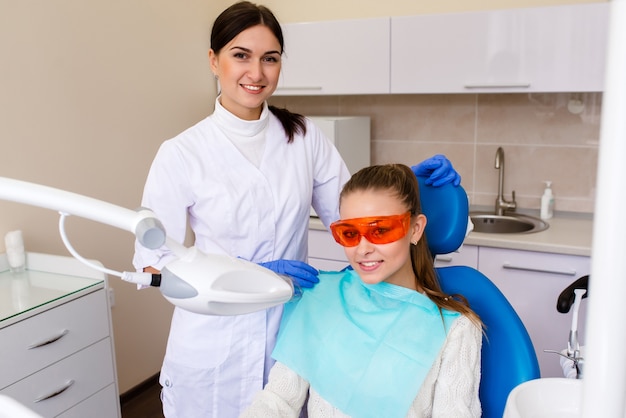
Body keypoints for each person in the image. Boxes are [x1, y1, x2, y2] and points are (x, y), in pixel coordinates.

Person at [132, 2, 462, 417]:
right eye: (241, 55)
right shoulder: (181, 153)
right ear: (214, 61)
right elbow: (153, 265)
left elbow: (353, 219)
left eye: (270, 59)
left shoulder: (304, 137)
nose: (256, 73)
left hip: (290, 335)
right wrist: (253, 276)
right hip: (212, 346)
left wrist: (407, 183)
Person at [241, 164, 483, 418]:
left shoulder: (454, 329)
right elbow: (277, 401)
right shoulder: (321, 299)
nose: (362, 249)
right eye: (350, 233)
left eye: (380, 230)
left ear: (415, 229)